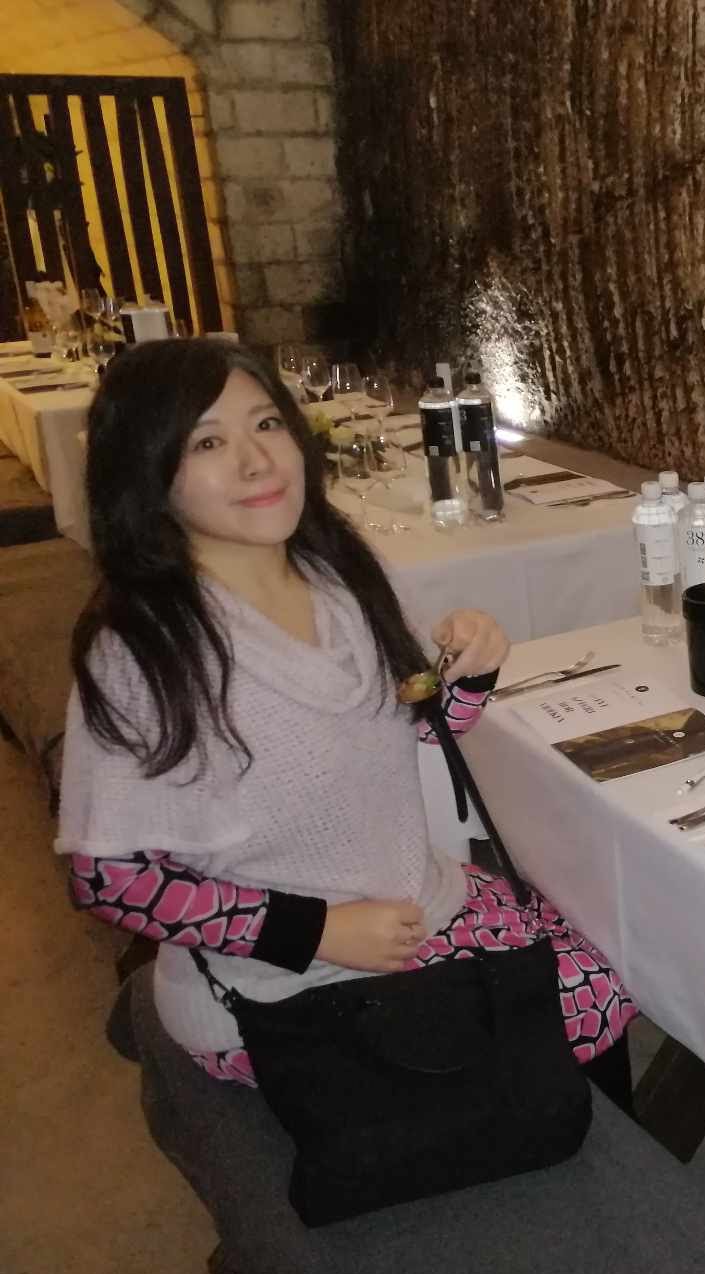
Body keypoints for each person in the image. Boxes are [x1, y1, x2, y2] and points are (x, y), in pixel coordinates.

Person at [56, 338, 636, 1102]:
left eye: (267, 424)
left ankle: (569, 1142)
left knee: (611, 960)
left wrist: (471, 673)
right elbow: (108, 878)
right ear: (148, 474)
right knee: (587, 999)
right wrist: (317, 932)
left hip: (414, 906)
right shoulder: (145, 649)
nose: (257, 462)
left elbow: (404, 731)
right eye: (207, 443)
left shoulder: (333, 577)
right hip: (284, 985)